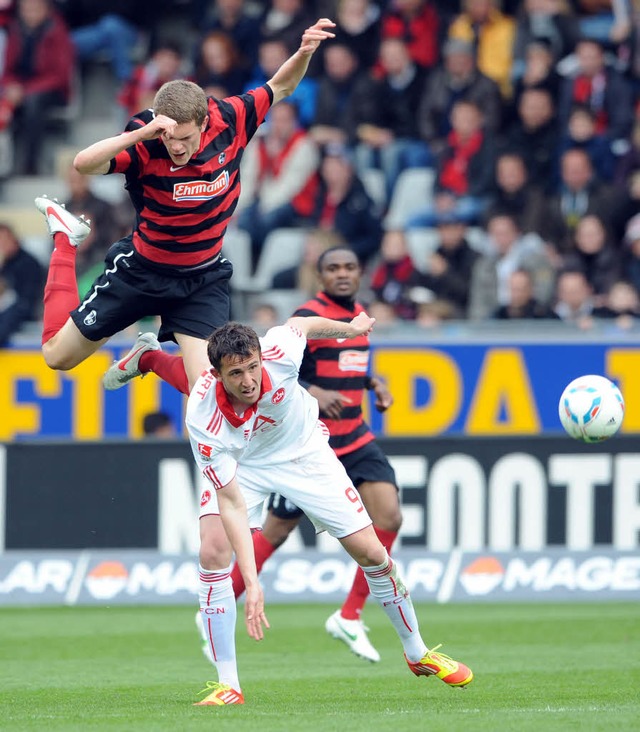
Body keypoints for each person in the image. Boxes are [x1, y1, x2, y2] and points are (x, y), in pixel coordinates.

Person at [33, 18, 337, 397]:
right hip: (141, 271)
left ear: (204, 120)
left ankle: (147, 358)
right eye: (169, 137)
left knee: (209, 390)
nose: (176, 147)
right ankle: (66, 237)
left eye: (185, 138)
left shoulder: (231, 118)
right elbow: (84, 164)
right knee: (57, 357)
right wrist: (143, 133)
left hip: (201, 279)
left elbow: (282, 85)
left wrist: (303, 52)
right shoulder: (147, 140)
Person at [186, 311, 473, 704]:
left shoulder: (279, 352)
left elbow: (301, 323)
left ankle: (417, 652)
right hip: (243, 466)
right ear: (218, 375)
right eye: (236, 374)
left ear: (261, 358)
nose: (249, 380)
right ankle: (228, 685)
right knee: (213, 550)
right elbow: (232, 504)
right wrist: (251, 582)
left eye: (253, 368)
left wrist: (350, 330)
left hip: (304, 455)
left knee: (373, 552)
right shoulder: (203, 415)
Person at [221, 246, 405, 665]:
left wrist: (374, 384)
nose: (343, 274)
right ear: (319, 276)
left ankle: (350, 615)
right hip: (309, 447)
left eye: (350, 266)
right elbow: (278, 373)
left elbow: (349, 363)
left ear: (361, 272)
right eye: (333, 268)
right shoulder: (310, 316)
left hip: (356, 437)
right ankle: (220, 604)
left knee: (390, 516)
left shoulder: (359, 314)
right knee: (275, 532)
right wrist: (315, 393)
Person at [0, 222, 44, 346]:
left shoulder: (29, 263)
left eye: (4, 241)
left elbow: (27, 300)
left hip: (27, 311)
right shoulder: (5, 263)